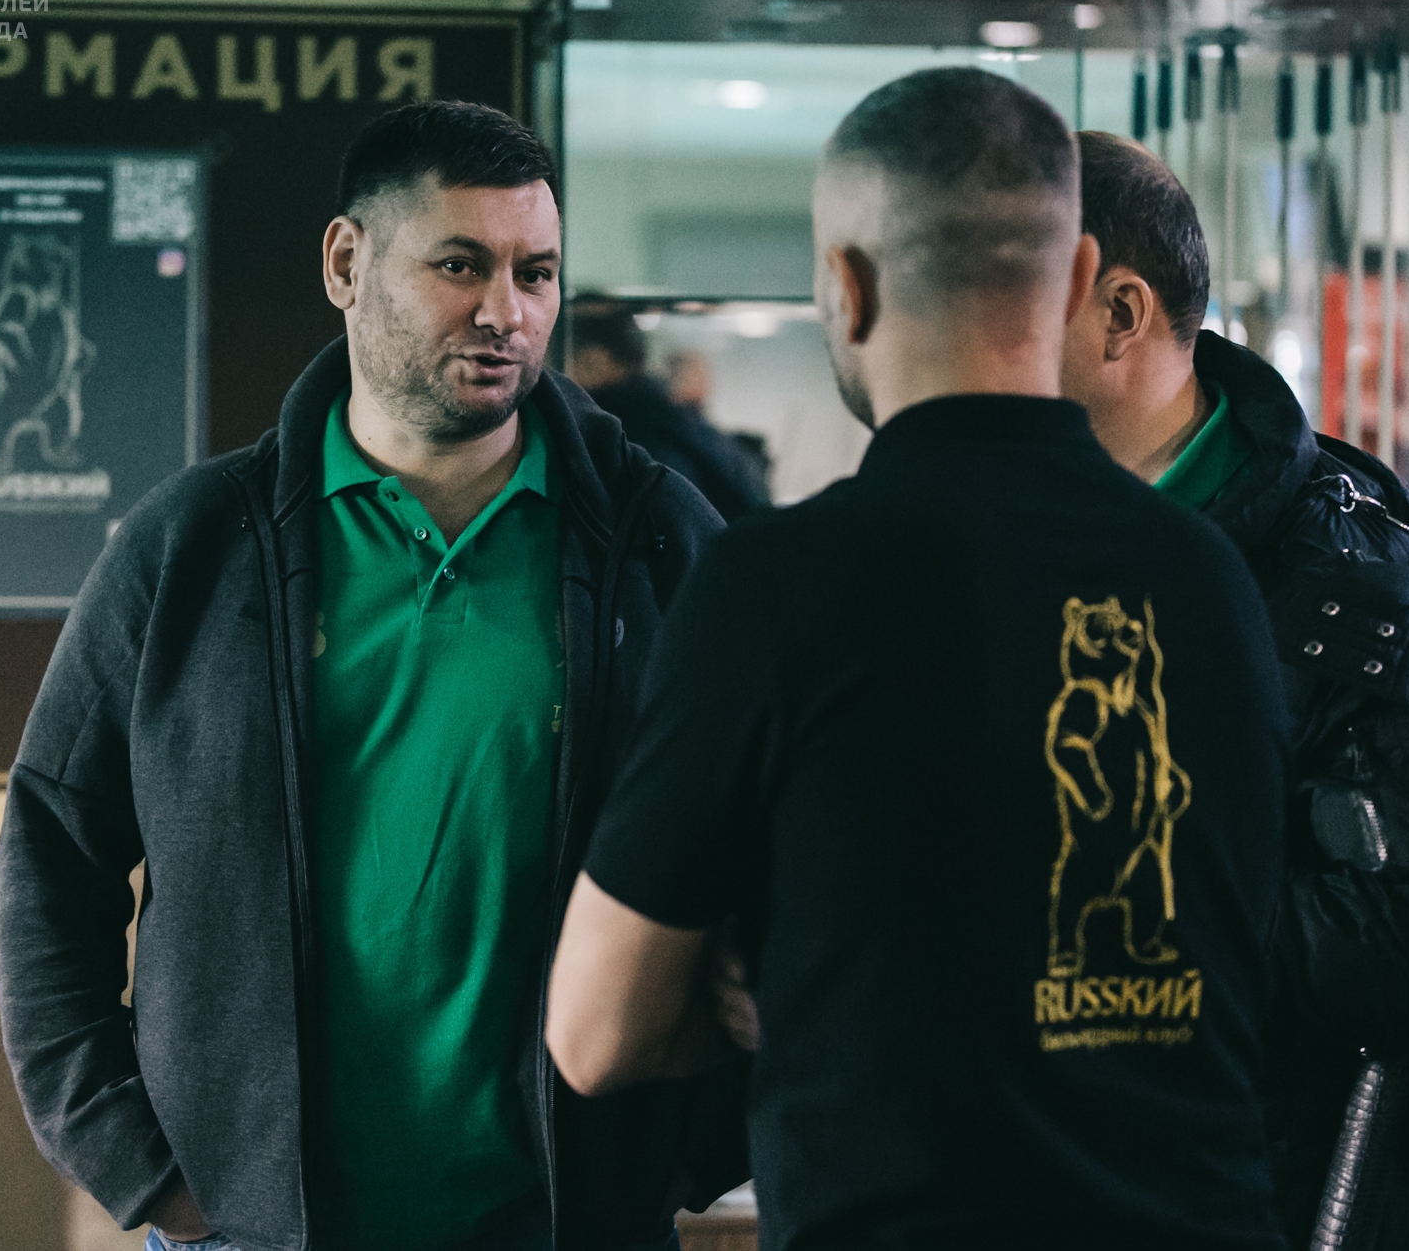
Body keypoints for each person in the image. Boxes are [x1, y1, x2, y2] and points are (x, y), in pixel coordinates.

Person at [544, 68, 1291, 1250]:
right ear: (1079, 279)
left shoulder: (775, 584)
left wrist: (772, 987)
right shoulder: (1211, 577)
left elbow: (593, 1033)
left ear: (843, 288)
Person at [0, 101, 745, 1251]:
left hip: (568, 1225)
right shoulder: (192, 550)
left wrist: (693, 1146)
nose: (506, 311)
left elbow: (777, 844)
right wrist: (140, 1162)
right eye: (460, 264)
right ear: (346, 263)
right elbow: (51, 852)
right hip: (253, 1230)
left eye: (535, 273)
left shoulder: (656, 542)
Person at [1055, 131, 1409, 1248]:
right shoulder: (1038, 527)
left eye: (1003, 298)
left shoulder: (1339, 568)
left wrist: (1152, 952)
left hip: (1247, 1194)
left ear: (1119, 312)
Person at [564, 298, 771, 520]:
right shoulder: (670, 422)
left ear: (597, 361)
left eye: (569, 362)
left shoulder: (627, 438)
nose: (558, 378)